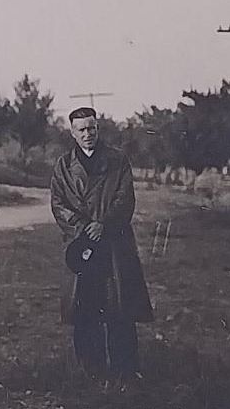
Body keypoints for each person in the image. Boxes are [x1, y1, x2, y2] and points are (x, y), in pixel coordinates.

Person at [50, 107, 154, 390]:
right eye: (81, 130)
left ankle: (125, 371)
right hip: (81, 245)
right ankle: (90, 371)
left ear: (98, 129)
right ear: (72, 133)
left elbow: (125, 199)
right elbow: (58, 204)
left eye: (92, 128)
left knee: (119, 307)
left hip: (113, 245)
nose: (87, 134)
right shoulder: (63, 166)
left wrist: (104, 224)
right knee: (85, 307)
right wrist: (83, 226)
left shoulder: (117, 161)